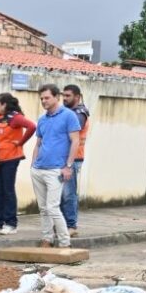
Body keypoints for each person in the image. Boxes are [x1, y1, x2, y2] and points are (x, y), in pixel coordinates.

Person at [30, 84, 81, 248]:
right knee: (43, 208)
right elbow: (38, 143)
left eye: (47, 98)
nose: (44, 101)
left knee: (52, 207)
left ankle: (65, 242)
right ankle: (47, 239)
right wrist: (33, 165)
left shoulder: (69, 116)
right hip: (38, 169)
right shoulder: (42, 119)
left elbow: (75, 141)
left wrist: (68, 166)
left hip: (56, 169)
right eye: (42, 98)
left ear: (56, 97)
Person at [0, 92, 36, 235]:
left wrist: (20, 142)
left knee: (8, 190)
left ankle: (11, 223)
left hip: (10, 159)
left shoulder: (15, 117)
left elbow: (32, 126)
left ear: (4, 105)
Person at [61, 85, 90, 237]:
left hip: (73, 158)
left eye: (68, 96)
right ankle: (62, 225)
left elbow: (70, 130)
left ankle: (71, 225)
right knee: (60, 194)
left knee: (68, 193)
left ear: (77, 97)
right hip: (61, 158)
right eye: (63, 95)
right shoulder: (65, 112)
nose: (64, 98)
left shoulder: (80, 113)